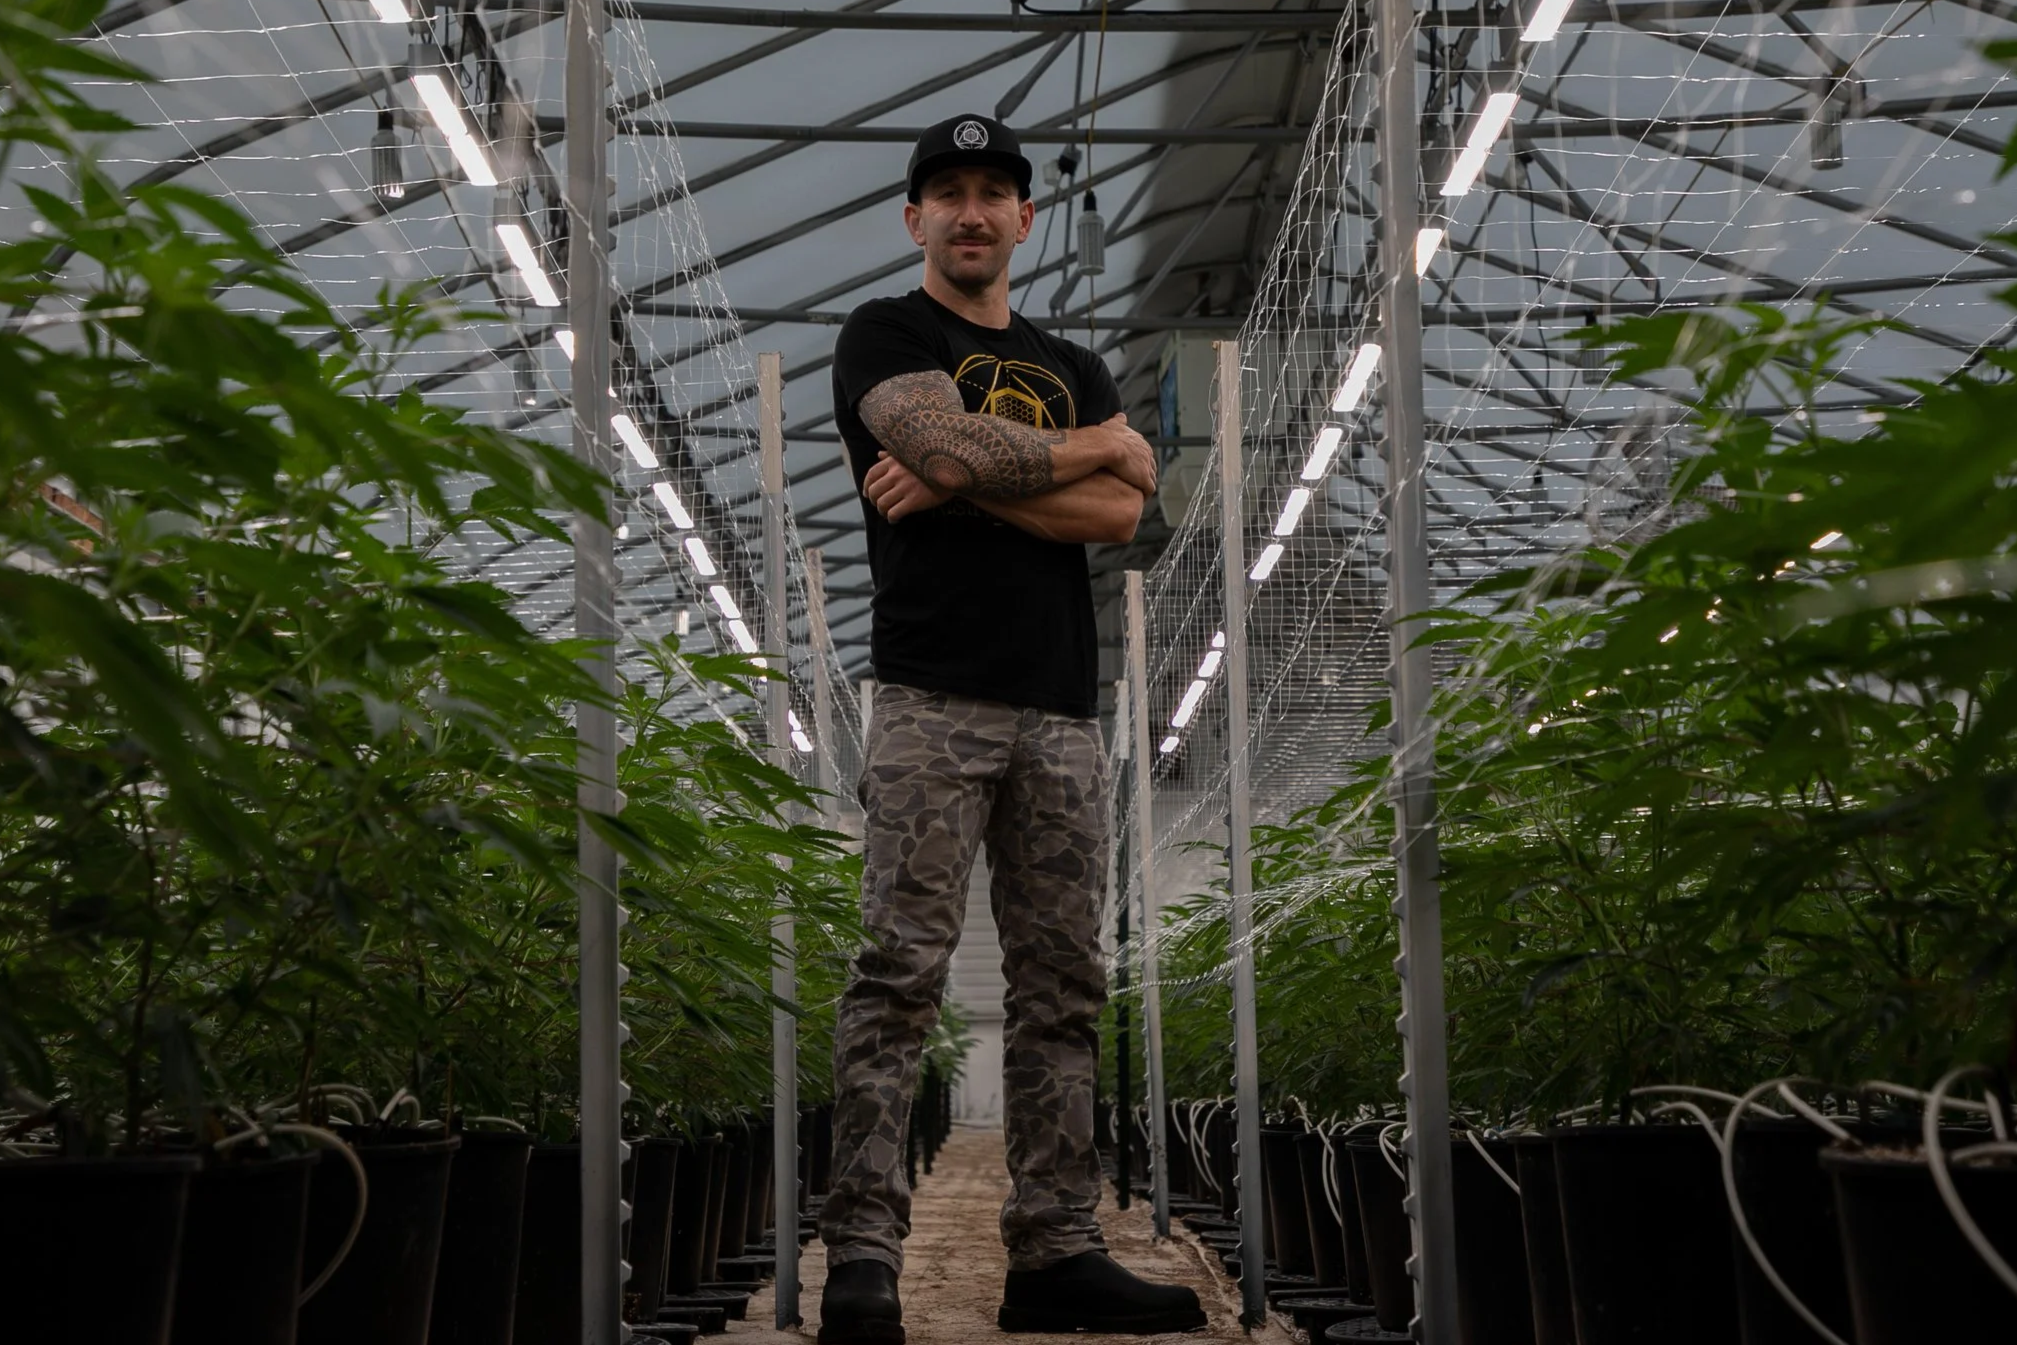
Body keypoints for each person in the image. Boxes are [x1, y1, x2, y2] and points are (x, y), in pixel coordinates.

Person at [816, 114, 1207, 1345]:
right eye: (948, 195)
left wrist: (970, 473)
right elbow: (952, 440)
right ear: (914, 220)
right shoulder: (886, 333)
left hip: (1061, 711)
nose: (971, 212)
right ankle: (865, 1260)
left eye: (993, 193)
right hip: (931, 696)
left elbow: (1117, 520)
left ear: (1024, 219)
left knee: (1062, 984)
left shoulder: (1069, 357)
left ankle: (1054, 1249)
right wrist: (1095, 444)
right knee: (898, 975)